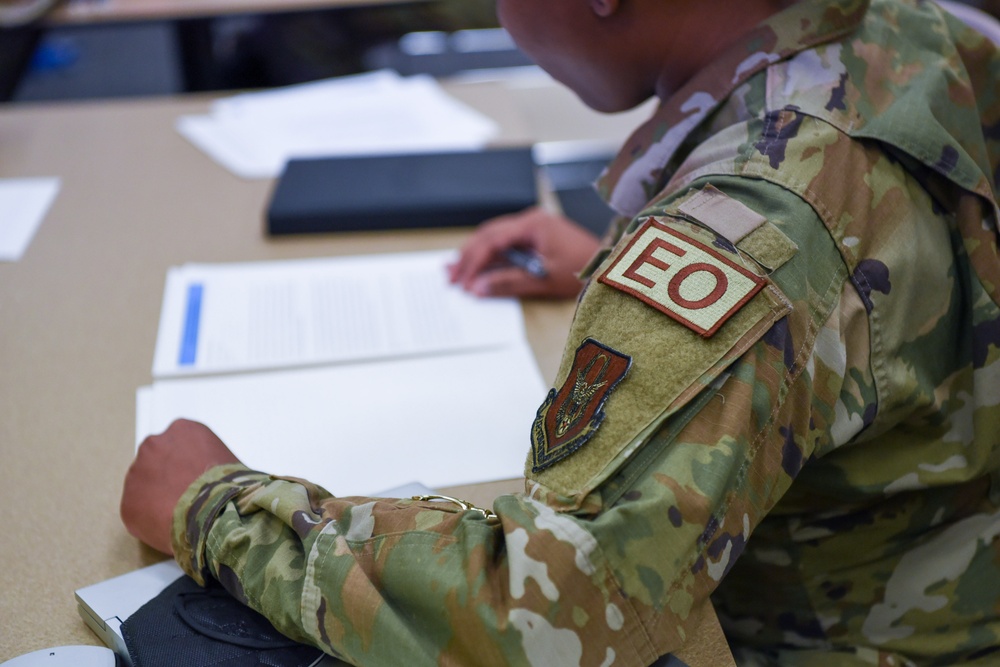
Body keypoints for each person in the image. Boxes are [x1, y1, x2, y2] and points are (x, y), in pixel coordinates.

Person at [121, 0, 1000, 664]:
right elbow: (881, 275)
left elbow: (552, 612)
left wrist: (215, 509)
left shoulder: (755, 225)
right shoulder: (916, 31)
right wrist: (624, 270)